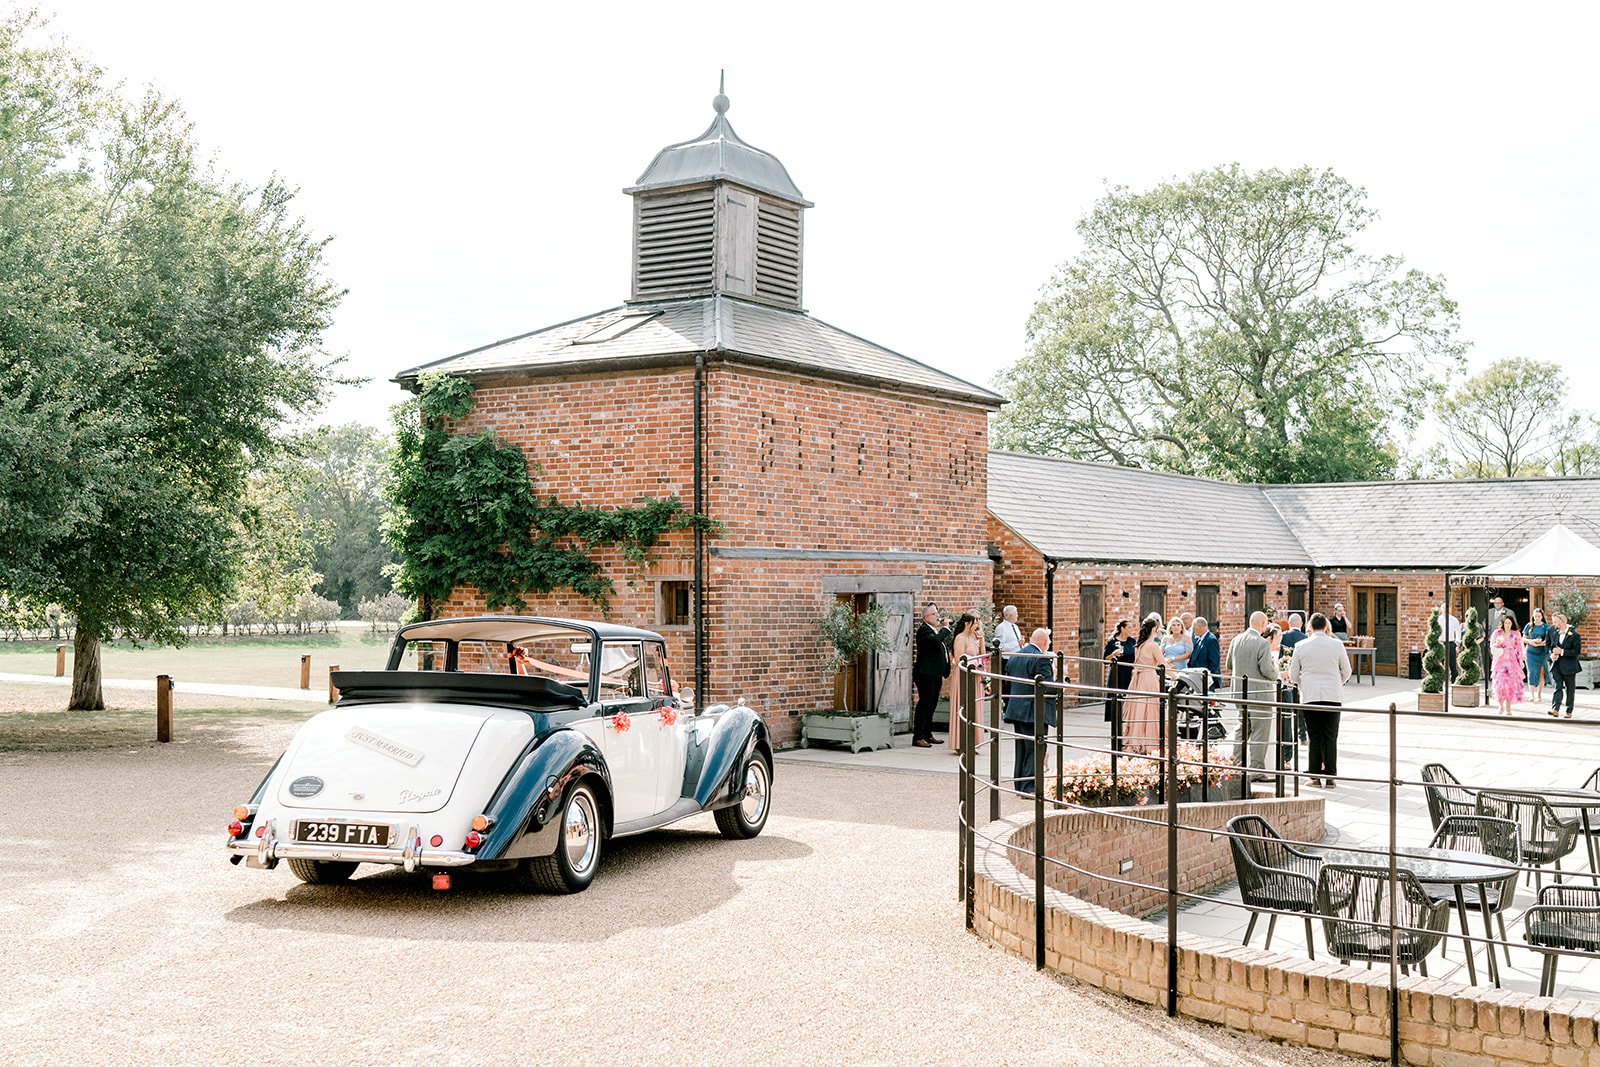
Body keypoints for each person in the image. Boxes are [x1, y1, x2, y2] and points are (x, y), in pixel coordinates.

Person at [1289, 613, 1352, 787]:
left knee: (1314, 736)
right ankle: (1330, 777)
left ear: (1309, 627)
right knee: (1331, 736)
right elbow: (1347, 671)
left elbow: (1293, 674)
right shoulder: (1337, 645)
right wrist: (1337, 683)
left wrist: (1304, 684)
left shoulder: (1300, 646)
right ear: (1326, 626)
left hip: (1310, 696)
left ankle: (1315, 777)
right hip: (1332, 695)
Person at [1001, 627, 1056, 793]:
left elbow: (1008, 683)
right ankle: (1028, 787)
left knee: (1022, 748)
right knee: (1036, 748)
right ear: (1044, 642)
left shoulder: (1015, 656)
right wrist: (1062, 686)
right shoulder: (1041, 659)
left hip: (1016, 708)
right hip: (1033, 710)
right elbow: (1047, 686)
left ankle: (1020, 784)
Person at [1227, 611, 1279, 777]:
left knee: (1242, 729)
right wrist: (1276, 673)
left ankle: (1237, 765)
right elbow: (1267, 670)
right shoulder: (1262, 643)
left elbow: (1229, 665)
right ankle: (1256, 770)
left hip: (1239, 692)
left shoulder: (1236, 640)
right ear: (1263, 624)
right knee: (1259, 732)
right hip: (1259, 694)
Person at [1122, 616, 1164, 754]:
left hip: (1138, 679)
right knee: (1150, 709)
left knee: (1140, 710)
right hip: (1149, 678)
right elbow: (1163, 664)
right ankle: (1149, 742)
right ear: (1154, 629)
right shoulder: (1153, 645)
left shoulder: (1139, 645)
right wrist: (1177, 677)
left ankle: (1138, 739)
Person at [912, 604, 951, 748]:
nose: (938, 616)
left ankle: (928, 734)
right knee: (924, 704)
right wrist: (946, 629)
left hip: (935, 673)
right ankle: (918, 736)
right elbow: (934, 641)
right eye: (935, 614)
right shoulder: (924, 630)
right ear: (926, 617)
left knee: (932, 705)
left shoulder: (933, 630)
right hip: (925, 674)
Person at [947, 613, 984, 753]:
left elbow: (981, 654)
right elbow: (959, 658)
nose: (977, 625)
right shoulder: (960, 638)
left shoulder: (973, 637)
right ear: (967, 624)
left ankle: (973, 742)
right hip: (962, 675)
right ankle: (960, 742)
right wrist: (974, 662)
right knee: (963, 705)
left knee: (974, 706)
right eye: (975, 623)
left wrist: (981, 639)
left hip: (973, 674)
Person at [1103, 619, 1135, 737]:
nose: (1131, 630)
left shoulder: (1132, 641)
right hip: (1117, 673)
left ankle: (1127, 728)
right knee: (1116, 698)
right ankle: (1115, 729)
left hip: (1129, 673)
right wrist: (1113, 655)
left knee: (1128, 698)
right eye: (1129, 627)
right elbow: (1105, 660)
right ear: (1122, 628)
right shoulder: (1112, 641)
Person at [1490, 613, 1525, 716]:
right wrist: (1497, 644)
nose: (1507, 625)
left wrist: (1521, 660)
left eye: (1509, 623)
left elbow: (1520, 647)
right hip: (1500, 661)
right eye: (1506, 623)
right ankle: (1500, 707)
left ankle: (1508, 709)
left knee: (1510, 685)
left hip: (1511, 662)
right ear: (1503, 623)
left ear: (1512, 624)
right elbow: (1492, 646)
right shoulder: (1497, 633)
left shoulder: (1516, 634)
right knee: (1500, 685)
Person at [1550, 612, 1582, 719]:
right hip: (1557, 666)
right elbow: (1551, 648)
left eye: (1556, 622)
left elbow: (1576, 651)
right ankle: (1555, 709)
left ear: (1562, 622)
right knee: (1557, 687)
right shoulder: (1554, 634)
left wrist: (1562, 652)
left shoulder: (1574, 635)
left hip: (1570, 667)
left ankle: (1569, 711)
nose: (1554, 624)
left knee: (1570, 689)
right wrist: (1552, 655)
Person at [1524, 608, 1554, 704]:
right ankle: (1531, 694)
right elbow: (1523, 638)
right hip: (1530, 652)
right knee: (1531, 672)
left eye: (1539, 616)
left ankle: (1539, 694)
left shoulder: (1546, 627)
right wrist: (1531, 641)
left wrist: (1539, 644)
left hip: (1541, 652)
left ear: (1542, 617)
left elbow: (1548, 641)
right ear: (1533, 616)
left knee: (1541, 673)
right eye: (1535, 616)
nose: (1537, 618)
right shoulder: (1529, 625)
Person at [1444, 610, 1462, 682]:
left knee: (1452, 662)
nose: (1445, 610)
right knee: (1439, 662)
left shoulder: (1453, 620)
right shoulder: (1438, 619)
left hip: (1450, 642)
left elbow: (1458, 631)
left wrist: (1457, 642)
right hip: (1440, 642)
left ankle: (1454, 678)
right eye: (1443, 608)